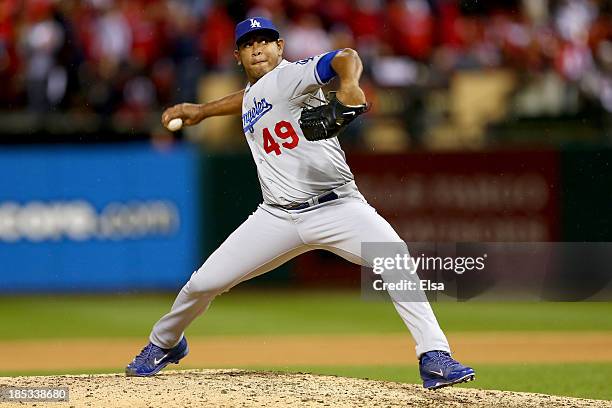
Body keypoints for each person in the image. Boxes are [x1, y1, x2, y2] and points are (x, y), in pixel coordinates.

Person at [125, 16, 475, 390]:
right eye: (248, 43)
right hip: (276, 218)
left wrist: (351, 84)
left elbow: (344, 55)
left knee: (394, 257)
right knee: (202, 284)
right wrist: (202, 110)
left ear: (281, 47)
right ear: (238, 55)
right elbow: (249, 100)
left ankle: (434, 355)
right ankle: (166, 343)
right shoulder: (254, 94)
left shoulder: (291, 76)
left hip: (338, 207)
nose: (257, 47)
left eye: (265, 40)